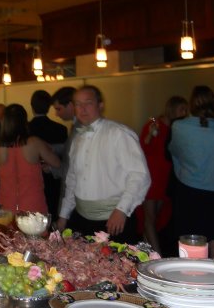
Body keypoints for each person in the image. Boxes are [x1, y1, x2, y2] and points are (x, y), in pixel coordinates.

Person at [57, 85, 150, 242]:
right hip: (81, 219)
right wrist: (63, 215)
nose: (83, 109)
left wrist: (122, 210)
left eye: (88, 103)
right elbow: (72, 180)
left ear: (100, 105)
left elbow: (139, 175)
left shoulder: (119, 133)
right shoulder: (78, 139)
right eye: (78, 104)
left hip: (113, 220)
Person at [168, 86, 214, 260]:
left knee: (190, 245)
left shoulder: (179, 126)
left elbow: (173, 153)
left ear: (191, 104)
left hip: (189, 194)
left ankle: (191, 284)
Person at [0, 104, 60, 214]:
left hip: (6, 206)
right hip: (33, 206)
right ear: (24, 121)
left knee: (8, 231)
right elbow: (57, 163)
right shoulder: (34, 142)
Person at [139, 96, 188, 254]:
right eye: (182, 109)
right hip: (151, 179)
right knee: (150, 220)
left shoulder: (177, 128)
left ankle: (146, 256)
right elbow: (142, 149)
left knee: (156, 220)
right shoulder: (155, 125)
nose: (185, 113)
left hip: (165, 179)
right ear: (172, 109)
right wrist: (150, 135)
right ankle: (157, 257)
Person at [28, 90, 67, 215]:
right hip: (54, 179)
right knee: (53, 210)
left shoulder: (26, 129)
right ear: (49, 107)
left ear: (32, 106)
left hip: (31, 179)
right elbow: (65, 158)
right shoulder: (60, 129)